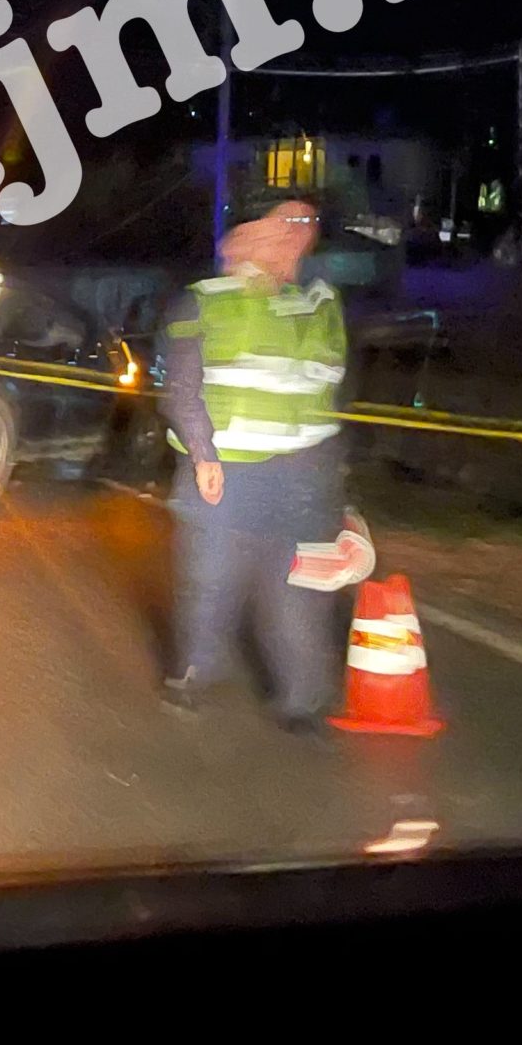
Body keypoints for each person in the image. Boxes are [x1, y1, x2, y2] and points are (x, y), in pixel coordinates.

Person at [158, 189, 349, 732]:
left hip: (301, 476)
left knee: (298, 589)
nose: (294, 234)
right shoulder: (206, 300)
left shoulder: (318, 304)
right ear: (244, 234)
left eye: (306, 223)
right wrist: (203, 454)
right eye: (282, 222)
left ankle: (303, 701)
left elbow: (328, 395)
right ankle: (195, 673)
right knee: (212, 580)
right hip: (225, 470)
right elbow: (182, 386)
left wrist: (336, 486)